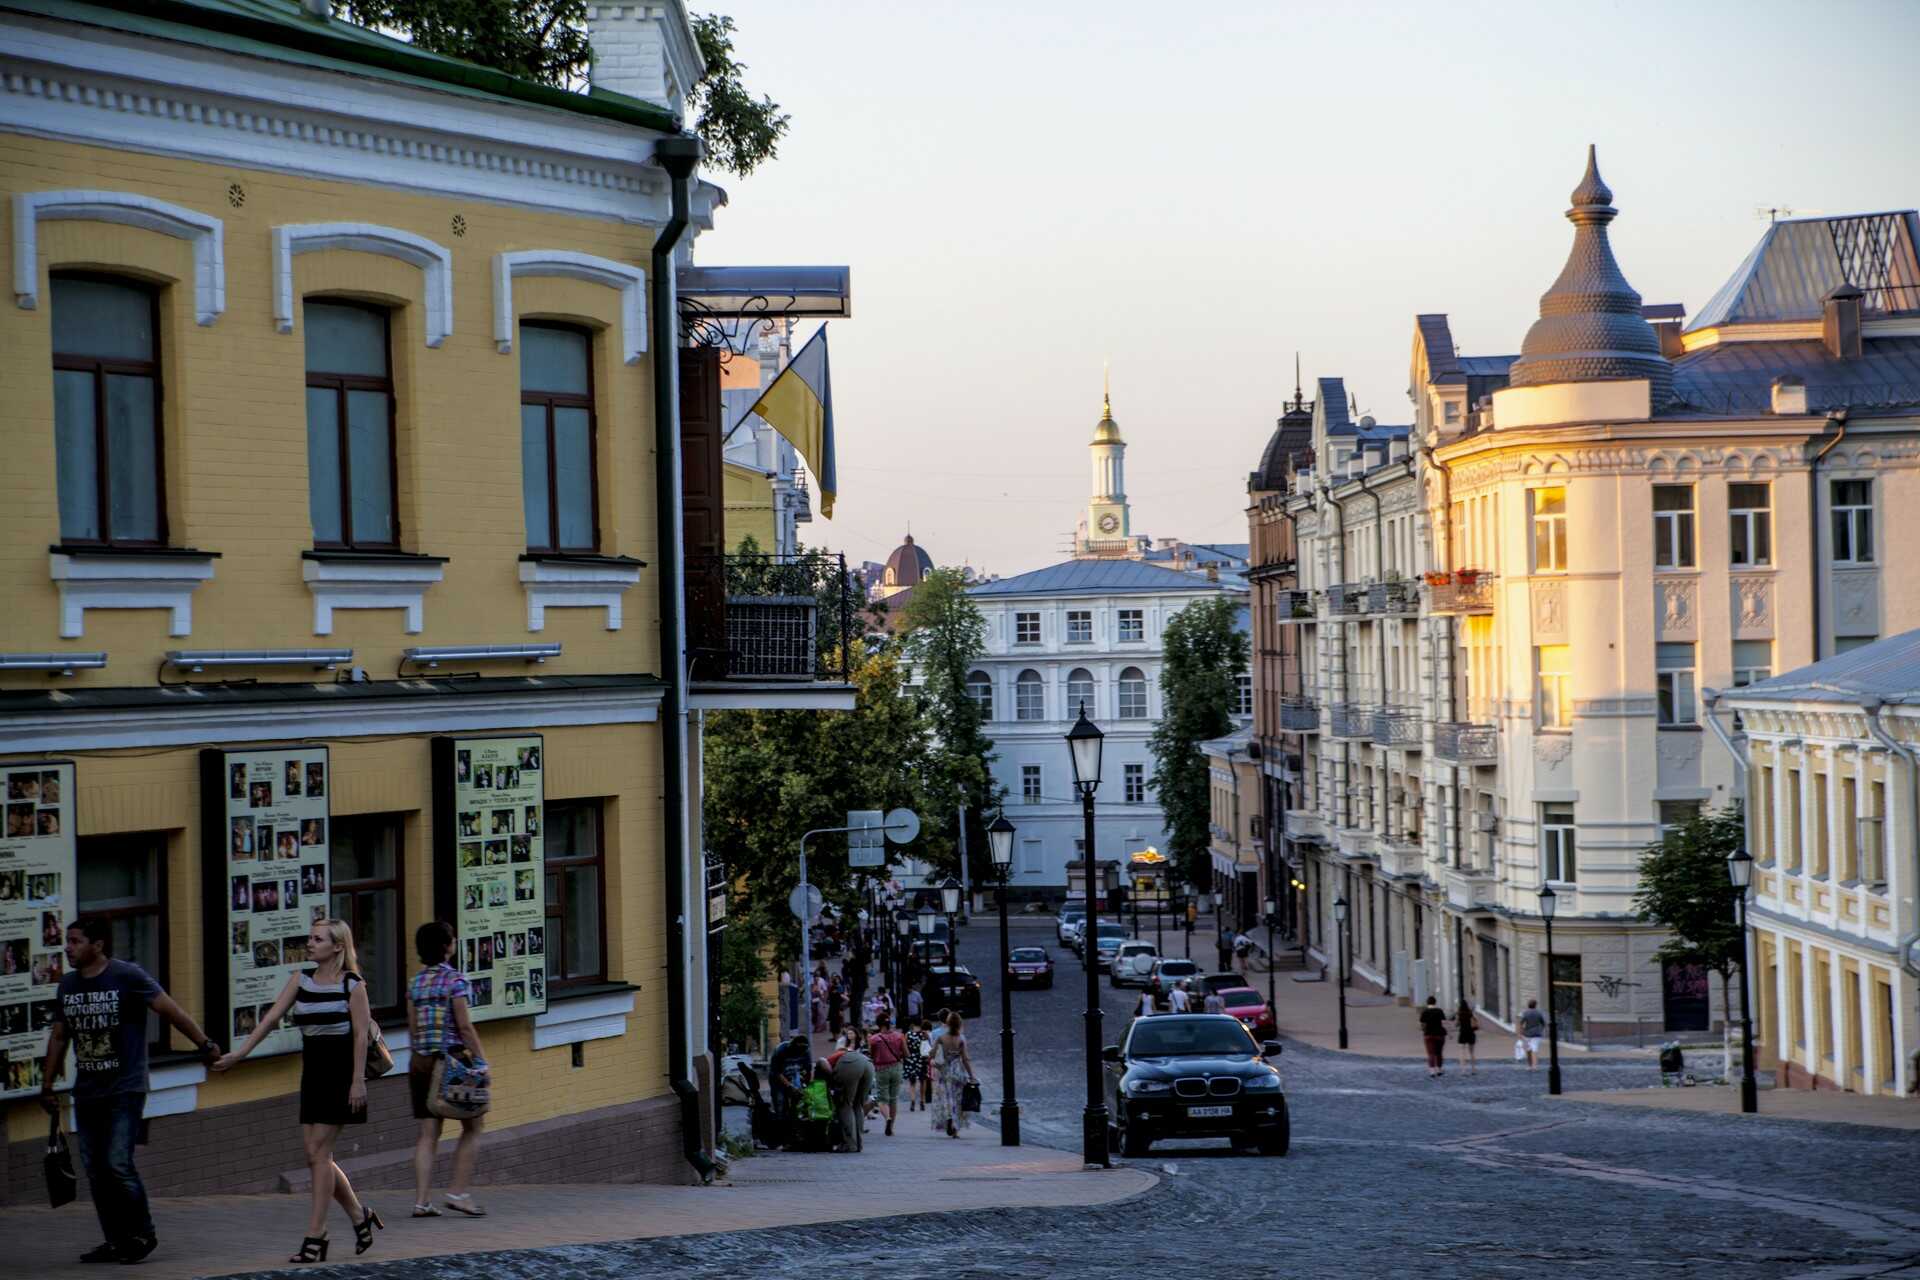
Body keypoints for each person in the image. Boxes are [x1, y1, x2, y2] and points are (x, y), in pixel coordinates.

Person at [39, 917, 221, 1265]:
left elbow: (172, 1011)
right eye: (68, 941)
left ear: (98, 945)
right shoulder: (68, 986)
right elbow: (60, 1036)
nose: (68, 947)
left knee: (118, 1163)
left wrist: (205, 1043)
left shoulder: (127, 976)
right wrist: (47, 1085)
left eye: (76, 941)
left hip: (125, 1087)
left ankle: (142, 1233)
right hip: (87, 1090)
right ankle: (115, 1240)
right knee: (95, 1169)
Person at [215, 920, 382, 1263]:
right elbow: (270, 1019)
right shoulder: (301, 980)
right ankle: (359, 1215)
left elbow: (360, 1037)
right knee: (314, 1154)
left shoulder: (353, 986)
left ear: (337, 947)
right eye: (310, 937)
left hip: (340, 1074)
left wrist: (357, 1081)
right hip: (313, 1073)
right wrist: (240, 1054)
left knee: (319, 1153)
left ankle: (315, 1234)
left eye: (317, 939)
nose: (310, 943)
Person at [405, 921, 488, 1219]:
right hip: (452, 1062)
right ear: (447, 946)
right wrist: (480, 1060)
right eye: (452, 939)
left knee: (428, 1133)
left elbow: (413, 1028)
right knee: (473, 1126)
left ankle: (421, 1201)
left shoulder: (415, 983)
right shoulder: (456, 981)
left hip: (421, 1062)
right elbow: (464, 1026)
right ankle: (458, 1193)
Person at [929, 1011, 975, 1138]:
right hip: (957, 1070)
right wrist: (971, 1075)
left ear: (948, 1023)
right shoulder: (961, 1038)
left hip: (944, 1070)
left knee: (946, 1097)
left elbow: (932, 1054)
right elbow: (965, 1059)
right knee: (957, 1100)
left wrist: (933, 1058)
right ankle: (955, 1128)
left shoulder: (941, 1038)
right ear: (959, 1024)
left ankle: (948, 1116)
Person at [828, 1041, 875, 1153]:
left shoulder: (828, 1060)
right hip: (868, 1064)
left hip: (851, 1065)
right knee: (857, 1105)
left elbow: (824, 1067)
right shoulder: (848, 1054)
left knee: (845, 1105)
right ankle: (858, 1144)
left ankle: (850, 1145)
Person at [767, 1031, 812, 1142]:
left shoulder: (805, 1052)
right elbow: (776, 1073)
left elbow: (808, 1070)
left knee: (797, 1107)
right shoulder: (781, 1051)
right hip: (778, 1081)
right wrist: (790, 1086)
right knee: (780, 1104)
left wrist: (805, 1085)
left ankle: (794, 1133)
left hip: (795, 1078)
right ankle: (781, 1136)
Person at [867, 1012, 907, 1136]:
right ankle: (891, 1127)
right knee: (893, 1099)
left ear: (879, 1025)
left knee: (882, 1098)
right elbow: (906, 1054)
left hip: (881, 1069)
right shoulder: (899, 1036)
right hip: (896, 1068)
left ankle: (887, 1118)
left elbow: (871, 1054)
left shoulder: (874, 1039)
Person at [902, 1018, 930, 1112]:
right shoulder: (924, 1034)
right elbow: (928, 1045)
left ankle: (913, 1101)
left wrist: (906, 1058)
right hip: (922, 1058)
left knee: (912, 1082)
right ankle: (922, 1101)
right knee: (923, 1081)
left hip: (911, 1058)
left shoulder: (908, 1034)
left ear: (912, 1024)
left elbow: (904, 1046)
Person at [1418, 996, 1449, 1078]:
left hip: (1428, 1035)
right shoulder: (1439, 1011)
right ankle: (1439, 1069)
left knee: (1431, 1053)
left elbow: (1422, 1024)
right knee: (1439, 1053)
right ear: (1435, 1002)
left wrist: (1423, 1030)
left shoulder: (1424, 1012)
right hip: (1439, 1034)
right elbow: (1444, 1022)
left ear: (1427, 1003)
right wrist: (1449, 1033)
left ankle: (1432, 1071)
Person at [1519, 999, 1548, 1070]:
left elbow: (1521, 1023)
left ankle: (1529, 1065)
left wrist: (1520, 1033)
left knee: (1528, 1050)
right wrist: (1542, 1030)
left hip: (1527, 1034)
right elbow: (1543, 1023)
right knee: (1535, 1049)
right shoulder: (1539, 1013)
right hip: (1536, 1034)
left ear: (1528, 1005)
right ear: (1535, 1005)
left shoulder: (1525, 1013)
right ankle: (1535, 1066)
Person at [1455, 997, 1480, 1075]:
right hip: (1471, 1033)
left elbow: (1456, 1024)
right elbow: (1476, 1022)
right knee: (1472, 1053)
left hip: (1462, 1033)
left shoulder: (1459, 1014)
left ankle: (1463, 1070)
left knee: (1462, 1052)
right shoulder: (1470, 1013)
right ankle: (1473, 1069)